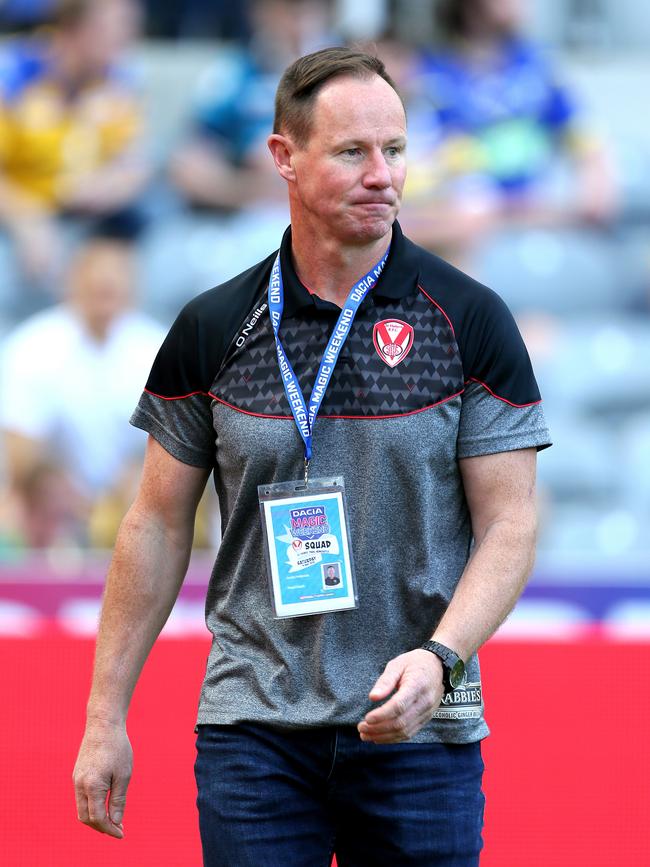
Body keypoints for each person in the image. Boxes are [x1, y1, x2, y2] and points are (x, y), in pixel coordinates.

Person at [73, 47, 551, 865]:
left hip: (421, 728)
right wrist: (104, 716)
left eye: (395, 150)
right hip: (252, 732)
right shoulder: (212, 326)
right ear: (283, 159)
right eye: (352, 151)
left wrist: (442, 658)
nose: (383, 174)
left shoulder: (468, 319)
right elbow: (153, 524)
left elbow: (510, 523)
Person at [400, 0, 617, 264]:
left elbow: (584, 137)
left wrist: (595, 179)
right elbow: (423, 178)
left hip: (537, 216)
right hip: (468, 227)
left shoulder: (537, 63)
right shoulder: (428, 72)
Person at [0, 233, 165, 547]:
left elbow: (172, 442)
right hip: (48, 493)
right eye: (96, 289)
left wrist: (132, 486)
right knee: (14, 507)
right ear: (72, 285)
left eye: (112, 289)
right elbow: (20, 449)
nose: (104, 299)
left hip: (132, 493)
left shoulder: (156, 348)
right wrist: (59, 486)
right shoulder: (31, 347)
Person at [0, 0, 148, 311]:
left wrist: (113, 184)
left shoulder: (118, 79)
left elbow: (133, 162)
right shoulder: (13, 75)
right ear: (72, 30)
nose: (126, 38)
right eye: (115, 28)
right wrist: (28, 221)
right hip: (19, 217)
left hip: (90, 218)